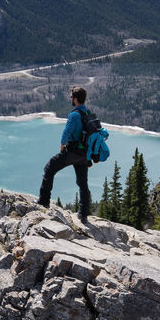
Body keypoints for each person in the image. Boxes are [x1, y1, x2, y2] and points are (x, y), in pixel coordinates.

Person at [37, 86, 93, 220]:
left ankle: (44, 201)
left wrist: (62, 145)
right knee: (83, 184)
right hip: (84, 155)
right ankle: (83, 214)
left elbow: (67, 131)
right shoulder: (88, 113)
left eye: (71, 97)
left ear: (75, 99)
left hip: (72, 151)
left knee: (49, 168)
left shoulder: (74, 115)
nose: (70, 99)